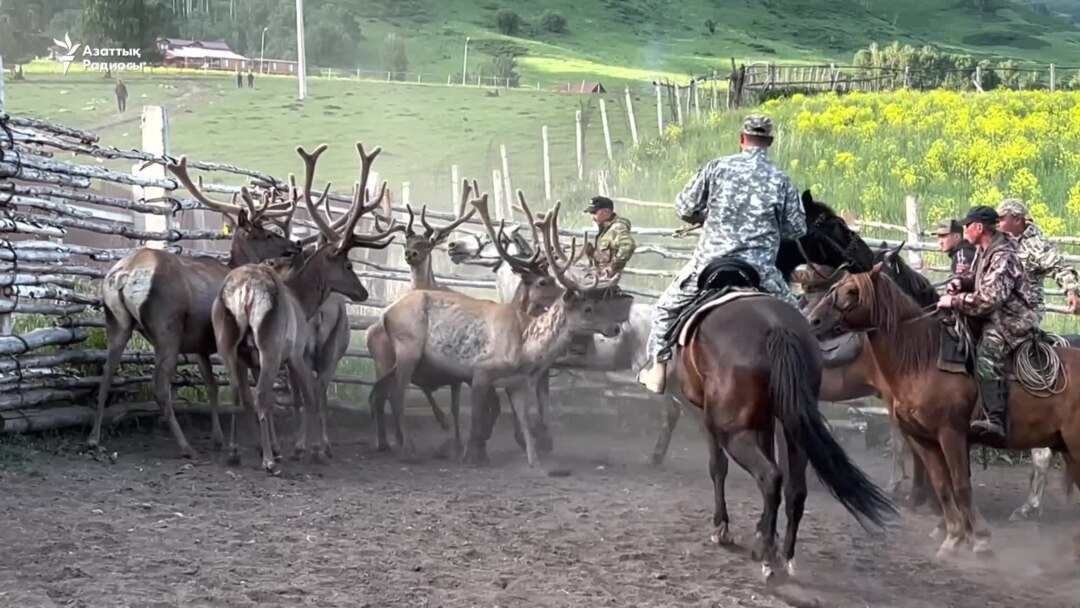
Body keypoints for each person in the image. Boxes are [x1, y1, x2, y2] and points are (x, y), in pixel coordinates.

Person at [637, 114, 806, 394]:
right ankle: (805, 377)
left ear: (742, 139)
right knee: (797, 318)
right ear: (770, 142)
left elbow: (683, 208)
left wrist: (704, 216)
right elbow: (797, 228)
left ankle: (657, 371)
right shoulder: (781, 179)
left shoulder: (717, 168)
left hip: (709, 265)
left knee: (666, 308)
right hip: (760, 269)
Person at [938, 205, 1039, 442]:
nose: (964, 231)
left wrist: (954, 300)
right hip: (996, 312)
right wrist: (962, 283)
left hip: (1013, 318)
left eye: (967, 226)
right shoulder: (984, 250)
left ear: (979, 228)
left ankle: (995, 419)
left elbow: (989, 300)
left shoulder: (1003, 255)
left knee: (987, 352)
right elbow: (979, 278)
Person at [996, 198, 1080, 315]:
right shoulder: (1005, 239)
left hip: (1026, 313)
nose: (997, 223)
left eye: (1001, 219)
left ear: (1017, 219)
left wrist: (1072, 292)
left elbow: (1059, 267)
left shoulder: (1036, 245)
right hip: (1006, 311)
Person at [582, 195, 636, 279]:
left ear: (606, 211)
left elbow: (628, 245)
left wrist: (612, 267)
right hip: (600, 277)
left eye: (594, 212)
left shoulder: (617, 228)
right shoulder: (605, 228)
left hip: (608, 280)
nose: (592, 216)